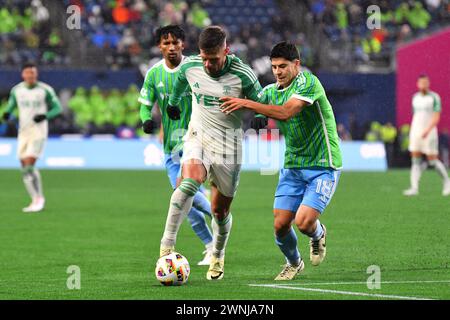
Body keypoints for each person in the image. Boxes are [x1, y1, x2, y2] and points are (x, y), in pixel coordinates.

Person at [220, 42, 342, 280]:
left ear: (296, 64)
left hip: (322, 165)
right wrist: (257, 116)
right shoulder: (270, 91)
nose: (277, 72)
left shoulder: (309, 82)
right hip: (293, 167)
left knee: (304, 223)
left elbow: (286, 111)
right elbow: (261, 103)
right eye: (274, 67)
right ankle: (294, 263)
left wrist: (248, 105)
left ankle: (318, 235)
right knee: (280, 225)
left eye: (283, 66)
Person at [160, 25, 266, 280]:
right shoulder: (191, 66)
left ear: (226, 51)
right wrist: (173, 104)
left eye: (214, 59)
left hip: (229, 146)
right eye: (204, 59)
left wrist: (260, 116)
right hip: (198, 137)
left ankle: (217, 253)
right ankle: (166, 245)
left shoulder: (243, 74)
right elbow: (179, 83)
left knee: (220, 212)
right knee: (188, 183)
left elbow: (262, 99)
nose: (208, 65)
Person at [138, 25, 214, 265]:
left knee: (183, 194)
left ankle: (219, 214)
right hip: (170, 147)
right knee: (185, 204)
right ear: (160, 46)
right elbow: (145, 103)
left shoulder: (194, 68)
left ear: (183, 44)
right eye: (166, 43)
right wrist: (146, 120)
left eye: (175, 43)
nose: (171, 47)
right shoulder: (153, 74)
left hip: (196, 141)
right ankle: (211, 242)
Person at [1, 62, 62, 212]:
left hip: (38, 131)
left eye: (33, 73)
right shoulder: (17, 90)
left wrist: (45, 116)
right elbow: (11, 105)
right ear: (23, 74)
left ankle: (38, 200)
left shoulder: (45, 90)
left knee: (28, 166)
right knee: (24, 168)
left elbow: (57, 108)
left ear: (36, 74)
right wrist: (7, 113)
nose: (30, 76)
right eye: (28, 73)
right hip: (23, 131)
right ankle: (36, 198)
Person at [403, 75, 450, 196]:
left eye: (425, 82)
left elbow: (436, 116)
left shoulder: (434, 97)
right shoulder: (415, 98)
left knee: (433, 161)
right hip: (416, 132)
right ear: (417, 84)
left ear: (428, 84)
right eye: (421, 83)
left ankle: (447, 182)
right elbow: (416, 116)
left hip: (429, 132)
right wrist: (414, 131)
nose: (423, 85)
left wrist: (428, 130)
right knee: (415, 161)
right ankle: (414, 188)